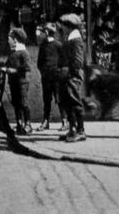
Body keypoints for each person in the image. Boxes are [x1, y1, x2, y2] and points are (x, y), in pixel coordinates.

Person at [57, 13, 87, 142]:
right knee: (67, 102)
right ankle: (72, 128)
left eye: (63, 26)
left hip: (72, 76)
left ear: (68, 26)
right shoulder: (70, 39)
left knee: (74, 102)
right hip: (67, 75)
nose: (61, 28)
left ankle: (80, 130)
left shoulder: (76, 41)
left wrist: (68, 71)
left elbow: (78, 61)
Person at [0, 26, 33, 135]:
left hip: (22, 81)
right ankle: (19, 124)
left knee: (23, 103)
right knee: (16, 103)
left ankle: (28, 124)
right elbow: (8, 64)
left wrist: (11, 70)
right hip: (13, 81)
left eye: (9, 39)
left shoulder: (23, 53)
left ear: (15, 40)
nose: (8, 41)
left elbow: (27, 68)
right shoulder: (12, 53)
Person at [36, 23, 67, 131]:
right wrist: (43, 72)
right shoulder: (43, 46)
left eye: (44, 32)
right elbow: (39, 62)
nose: (43, 34)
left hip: (57, 77)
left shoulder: (58, 45)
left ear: (48, 32)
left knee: (60, 99)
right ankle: (46, 121)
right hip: (46, 77)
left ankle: (64, 120)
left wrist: (59, 72)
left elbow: (64, 62)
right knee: (46, 99)